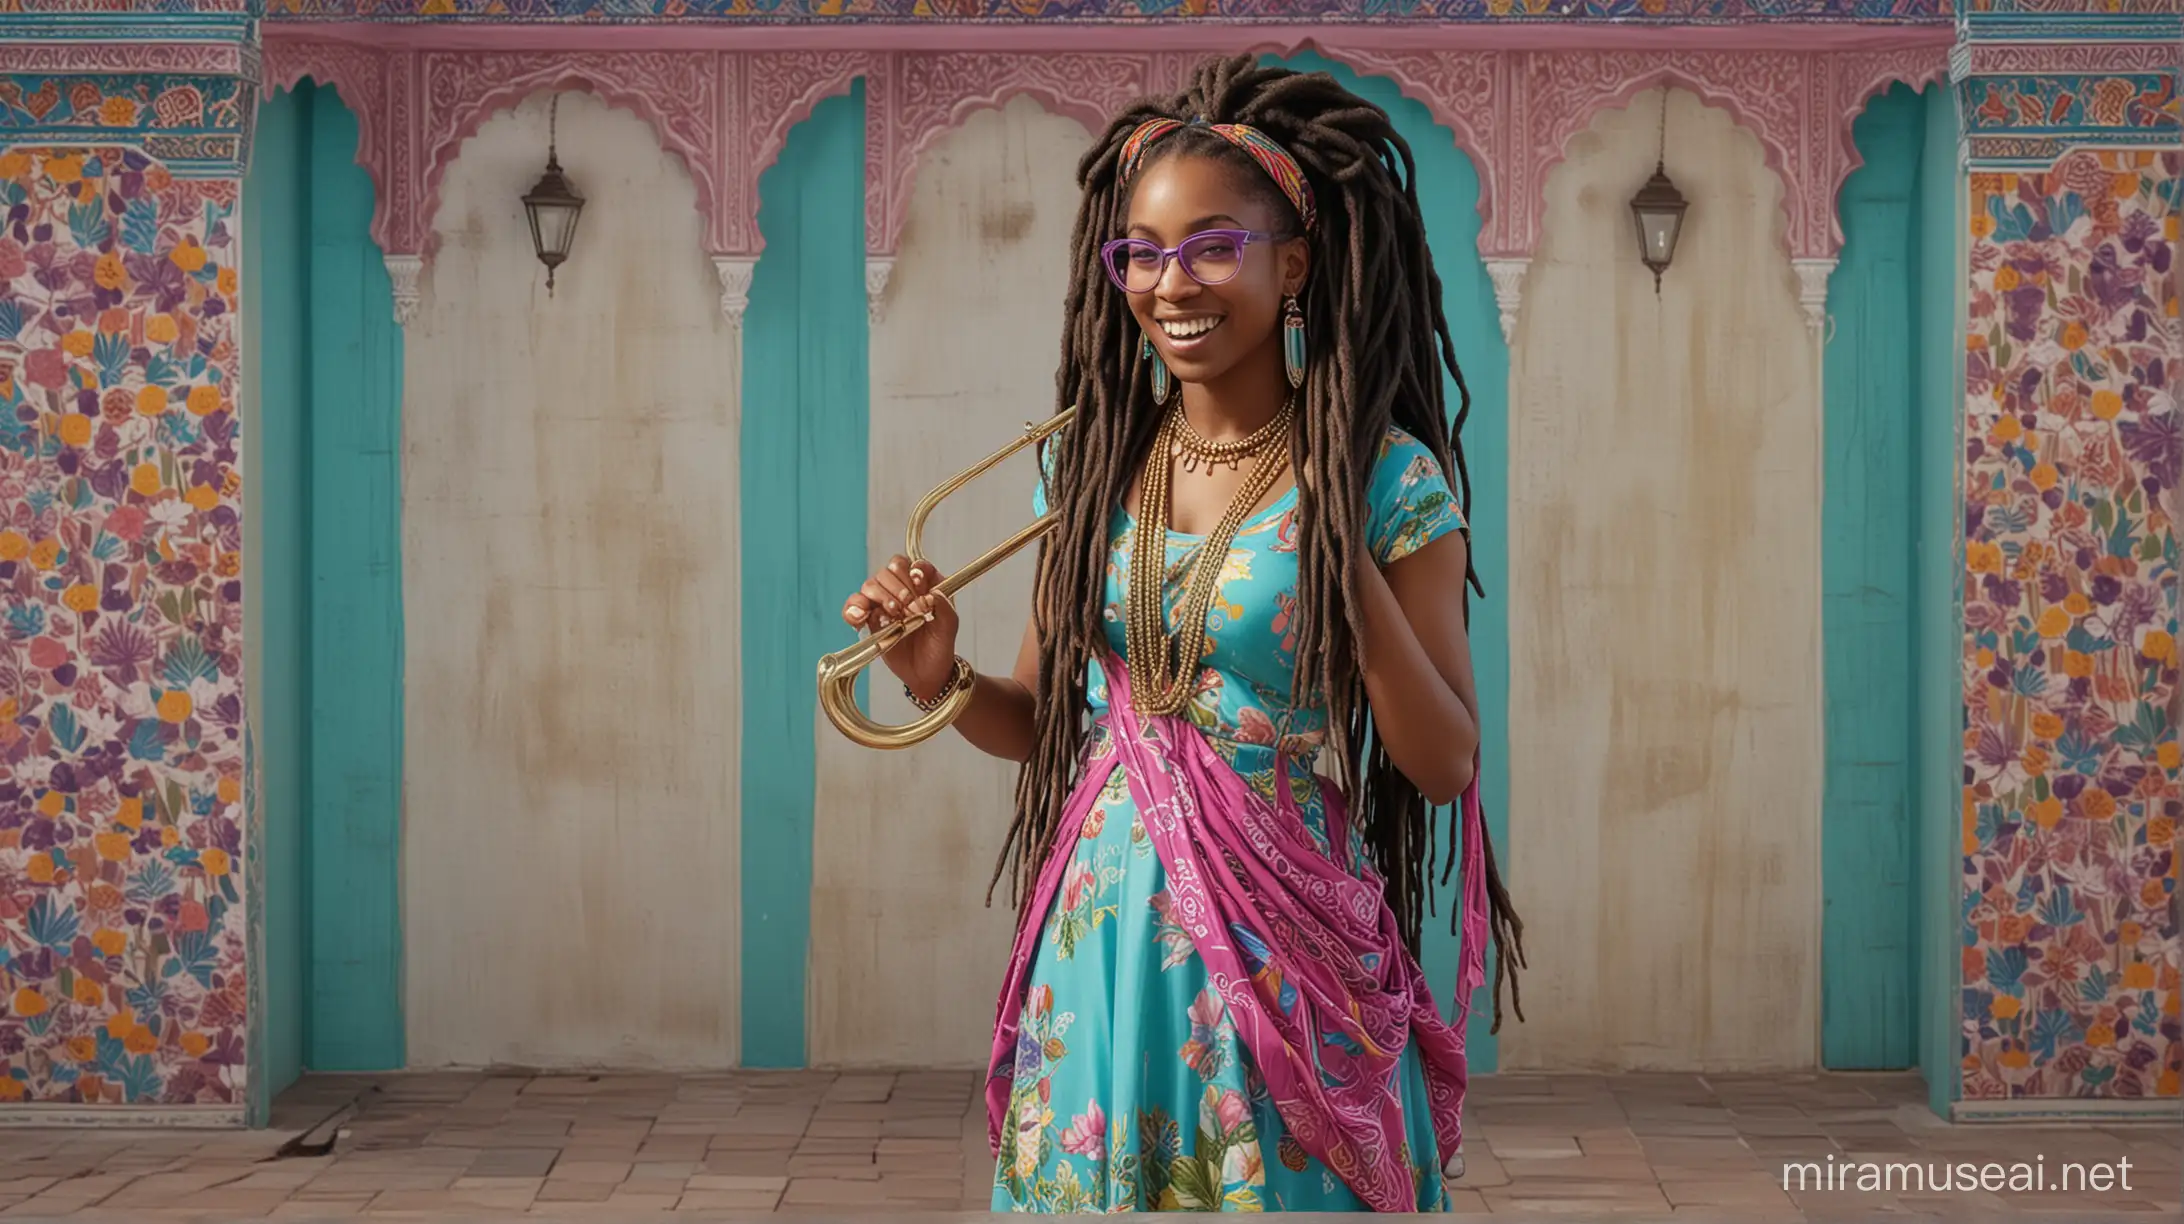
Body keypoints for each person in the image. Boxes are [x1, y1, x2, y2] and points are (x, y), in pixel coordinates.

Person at [838, 54, 1524, 1213]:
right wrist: (936, 673)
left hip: (1290, 953)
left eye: (1214, 245)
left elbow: (1444, 759)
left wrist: (1340, 553)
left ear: (1293, 264)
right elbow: (1035, 718)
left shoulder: (1387, 479)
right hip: (1107, 944)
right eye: (1142, 253)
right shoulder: (1092, 461)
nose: (1172, 283)